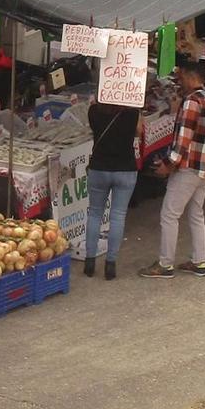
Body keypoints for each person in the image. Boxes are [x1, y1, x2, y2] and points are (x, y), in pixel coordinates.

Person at [146, 56, 205, 277]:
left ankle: (165, 264)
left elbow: (182, 141)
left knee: (169, 214)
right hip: (204, 168)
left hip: (188, 169)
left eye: (180, 76)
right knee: (196, 214)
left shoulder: (192, 102)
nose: (178, 81)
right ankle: (199, 261)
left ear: (188, 75)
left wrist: (168, 165)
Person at [85, 96, 141, 280]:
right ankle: (110, 264)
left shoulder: (94, 111)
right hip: (125, 169)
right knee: (118, 216)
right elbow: (139, 132)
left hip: (99, 167)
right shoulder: (132, 113)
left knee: (94, 214)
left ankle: (90, 262)